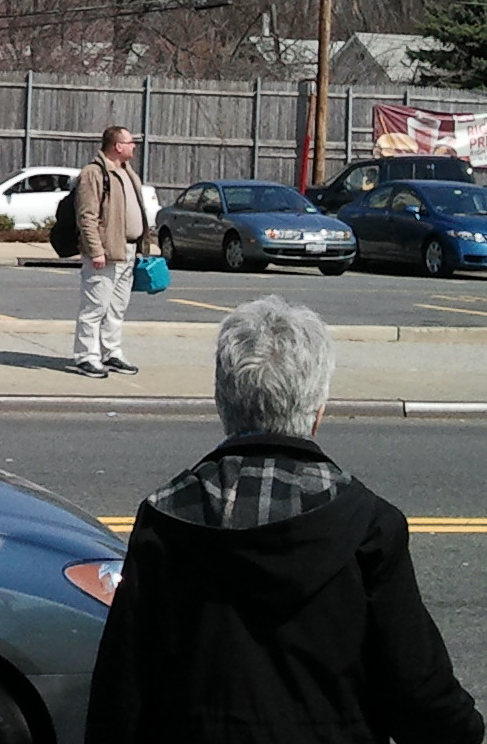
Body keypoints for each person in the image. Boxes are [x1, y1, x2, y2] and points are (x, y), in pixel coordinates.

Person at [86, 296, 483, 744]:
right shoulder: (368, 525)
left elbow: (122, 692)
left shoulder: (165, 518)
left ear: (222, 401)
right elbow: (420, 694)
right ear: (318, 410)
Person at [72, 125, 154, 378]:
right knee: (95, 306)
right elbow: (87, 216)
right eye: (130, 142)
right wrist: (96, 250)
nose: (134, 147)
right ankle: (87, 355)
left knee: (117, 307)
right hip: (105, 252)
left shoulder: (128, 173)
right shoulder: (94, 173)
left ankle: (112, 353)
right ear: (118, 146)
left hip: (127, 250)